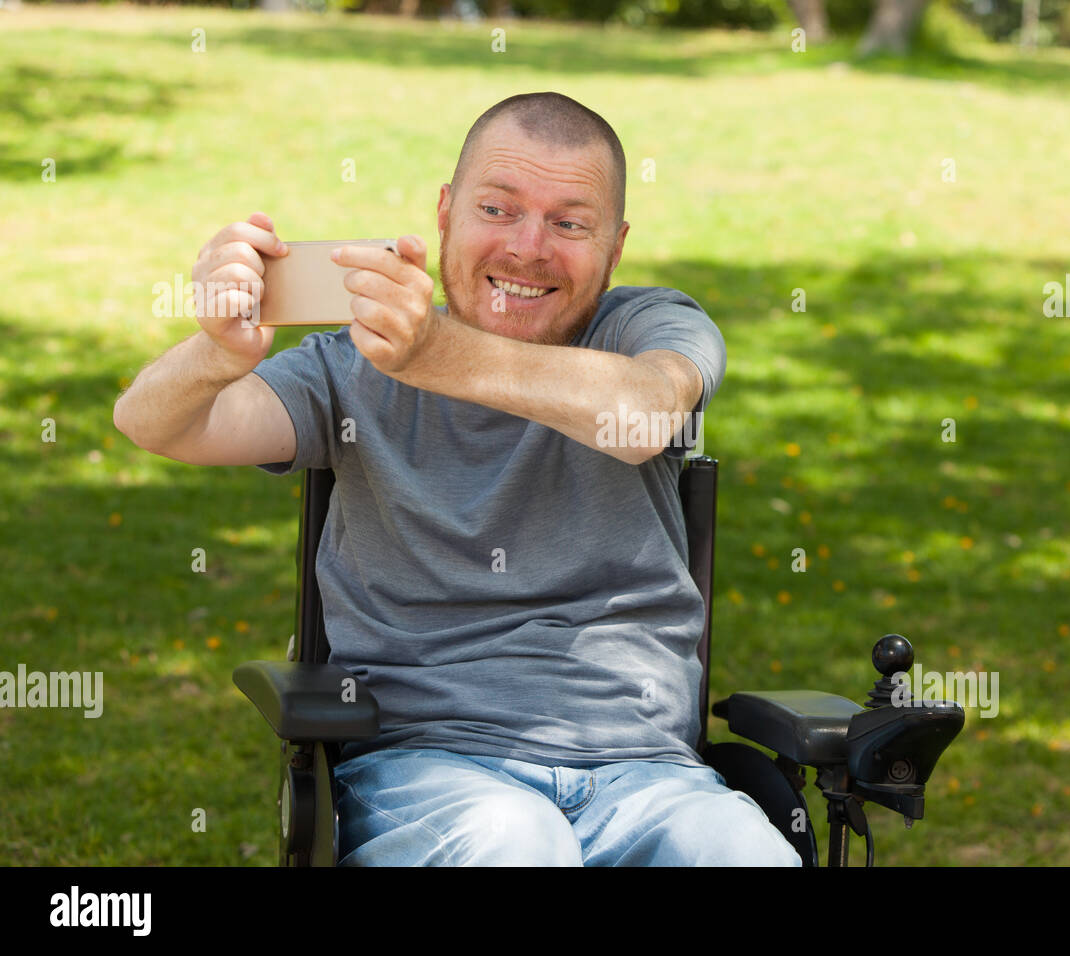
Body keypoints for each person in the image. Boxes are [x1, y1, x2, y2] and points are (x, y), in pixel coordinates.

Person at [114, 92, 800, 867]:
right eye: (498, 209)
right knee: (517, 843)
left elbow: (642, 418)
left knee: (748, 854)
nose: (529, 247)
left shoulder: (650, 328)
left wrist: (429, 353)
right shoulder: (349, 369)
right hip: (431, 769)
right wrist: (216, 353)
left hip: (648, 774)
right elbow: (154, 424)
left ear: (615, 247)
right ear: (445, 213)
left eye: (570, 223)